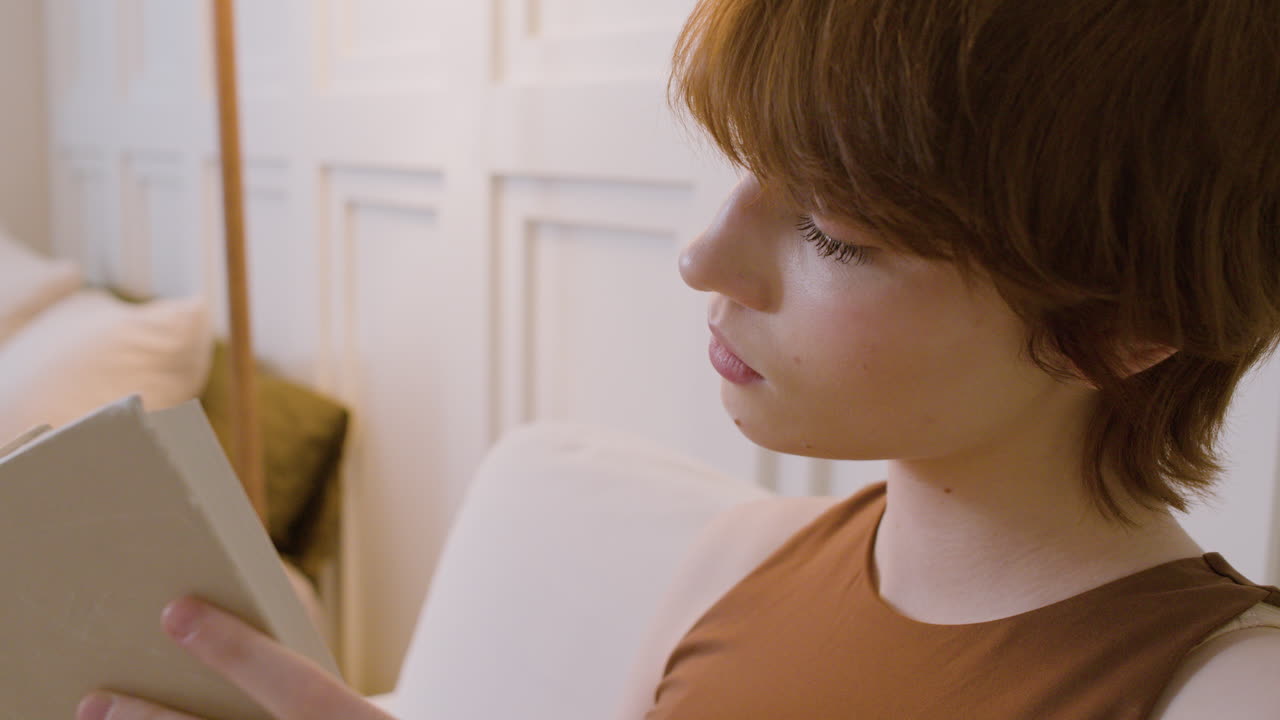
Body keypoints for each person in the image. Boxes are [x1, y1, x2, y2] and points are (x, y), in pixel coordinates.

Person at [78, 0, 1280, 718]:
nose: (703, 254)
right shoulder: (731, 572)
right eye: (741, 160)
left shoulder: (1215, 695)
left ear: (1117, 326)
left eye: (833, 233)